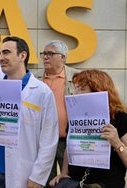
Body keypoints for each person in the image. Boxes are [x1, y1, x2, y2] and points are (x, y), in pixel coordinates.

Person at [0, 36, 59, 188]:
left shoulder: (41, 92)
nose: (1, 57)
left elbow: (49, 139)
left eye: (6, 52)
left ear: (22, 55)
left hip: (24, 172)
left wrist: (38, 177)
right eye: (0, 53)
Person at [49, 69, 127, 188]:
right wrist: (64, 173)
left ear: (98, 91)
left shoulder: (120, 118)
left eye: (82, 89)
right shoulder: (76, 117)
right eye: (75, 88)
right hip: (76, 182)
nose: (75, 93)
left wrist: (117, 143)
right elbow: (69, 147)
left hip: (106, 183)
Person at [36, 40, 79, 185]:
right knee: (45, 180)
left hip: (67, 141)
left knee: (71, 179)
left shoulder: (77, 78)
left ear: (63, 57)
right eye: (44, 54)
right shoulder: (35, 79)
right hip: (42, 140)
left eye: (50, 53)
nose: (45, 57)